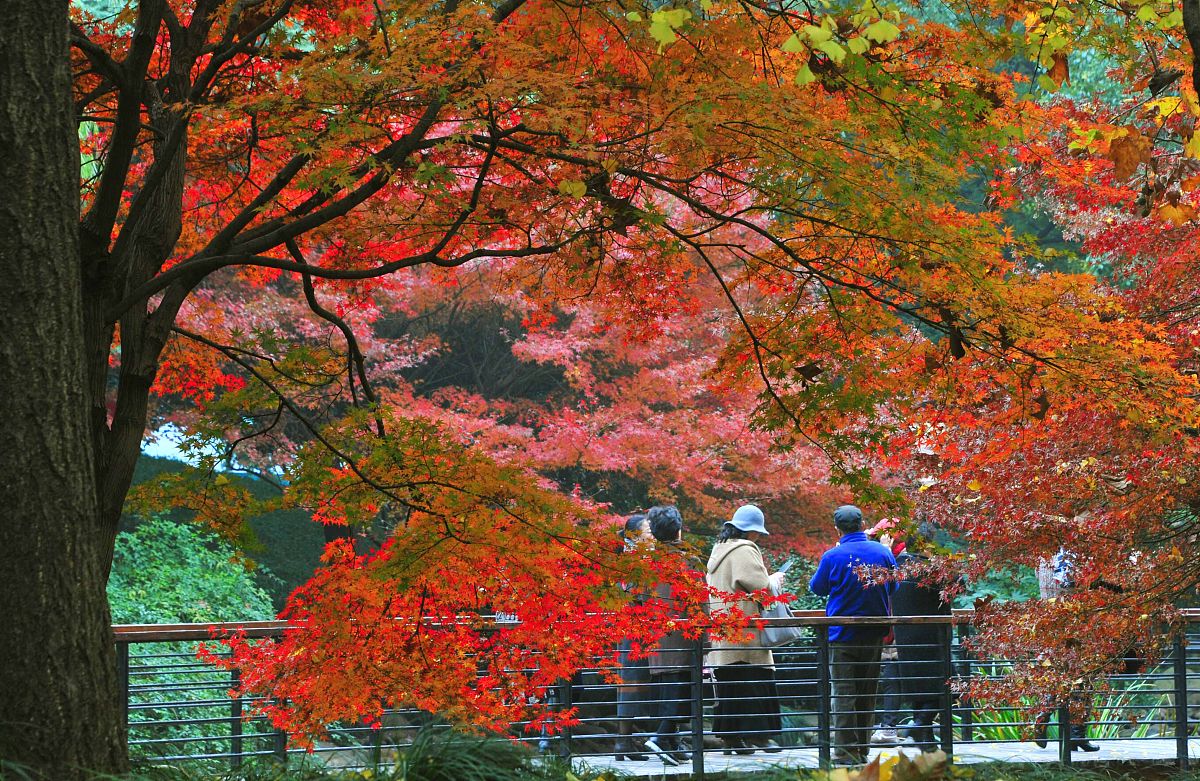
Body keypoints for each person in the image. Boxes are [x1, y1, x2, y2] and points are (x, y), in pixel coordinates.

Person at [809, 505, 897, 766]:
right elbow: (893, 586)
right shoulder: (882, 552)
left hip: (842, 633)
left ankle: (844, 753)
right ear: (863, 525)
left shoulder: (833, 556)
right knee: (867, 692)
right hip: (873, 633)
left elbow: (817, 588)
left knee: (844, 693)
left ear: (837, 528)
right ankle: (862, 749)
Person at [706, 504, 786, 756]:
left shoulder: (719, 549)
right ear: (751, 532)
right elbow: (761, 586)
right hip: (745, 632)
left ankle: (733, 739)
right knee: (755, 680)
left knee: (730, 685)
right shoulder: (745, 550)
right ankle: (760, 736)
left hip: (722, 632)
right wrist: (775, 580)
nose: (759, 538)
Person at [873, 519, 952, 753]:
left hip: (904, 638)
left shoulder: (896, 567)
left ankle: (926, 740)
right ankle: (919, 725)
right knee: (950, 683)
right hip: (933, 637)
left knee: (919, 687)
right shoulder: (935, 569)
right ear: (929, 543)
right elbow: (958, 588)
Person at [642, 505, 701, 766]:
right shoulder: (689, 561)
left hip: (655, 636)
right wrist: (707, 638)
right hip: (683, 638)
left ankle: (672, 744)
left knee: (665, 691)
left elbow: (640, 597)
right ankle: (659, 737)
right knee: (680, 692)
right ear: (678, 529)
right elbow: (699, 603)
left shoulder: (646, 564)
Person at [1032, 547, 1100, 752]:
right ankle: (1075, 734)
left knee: (1060, 680)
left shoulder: (1043, 557)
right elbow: (1071, 585)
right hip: (1072, 626)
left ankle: (1045, 720)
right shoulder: (1068, 556)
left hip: (1050, 626)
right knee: (1082, 681)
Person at [614, 513, 651, 761]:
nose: (652, 535)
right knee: (631, 683)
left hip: (638, 629)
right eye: (648, 530)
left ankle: (629, 741)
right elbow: (633, 594)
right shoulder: (631, 562)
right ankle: (622, 742)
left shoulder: (635, 559)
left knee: (635, 684)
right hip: (633, 630)